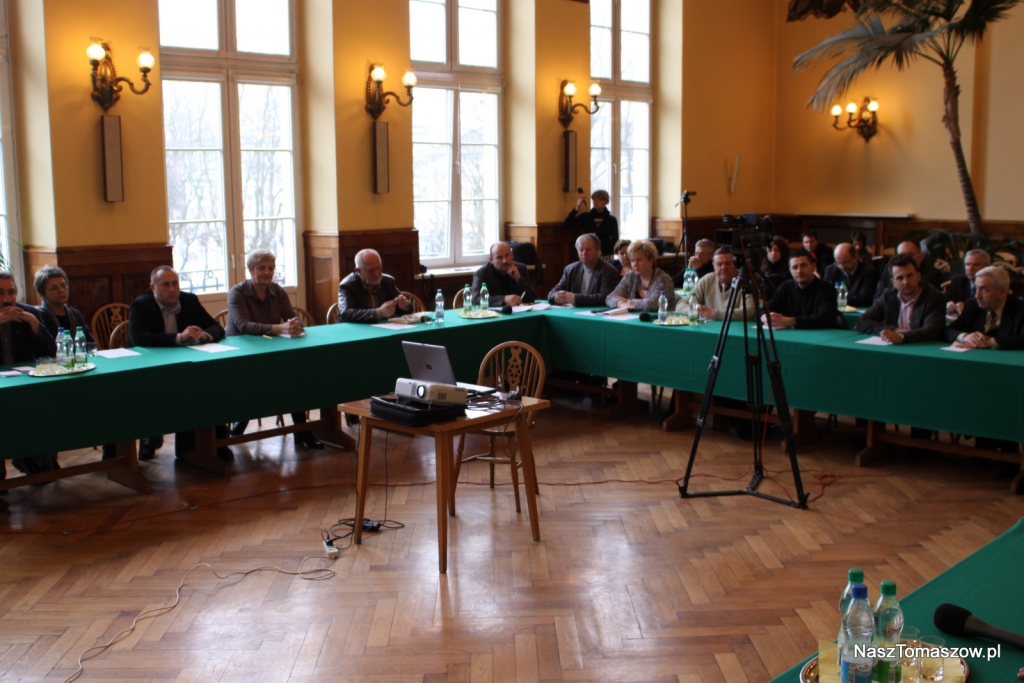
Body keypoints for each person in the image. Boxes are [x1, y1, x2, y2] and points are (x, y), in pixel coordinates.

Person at [128, 266, 232, 462]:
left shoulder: (189, 300)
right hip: (149, 367)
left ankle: (209, 446)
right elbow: (138, 338)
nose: (172, 289)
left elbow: (216, 327)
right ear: (153, 287)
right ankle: (151, 436)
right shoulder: (141, 305)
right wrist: (178, 338)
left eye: (175, 283)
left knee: (209, 385)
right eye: (165, 285)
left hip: (185, 365)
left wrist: (204, 335)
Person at [226, 249, 323, 449]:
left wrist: (295, 324)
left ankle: (301, 430)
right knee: (259, 382)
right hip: (240, 352)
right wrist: (278, 328)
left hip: (269, 348)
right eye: (262, 268)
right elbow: (244, 326)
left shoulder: (278, 291)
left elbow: (290, 315)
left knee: (295, 375)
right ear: (251, 269)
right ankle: (238, 428)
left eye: (270, 268)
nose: (267, 272)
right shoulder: (238, 292)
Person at [0, 270, 57, 487]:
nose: (7, 299)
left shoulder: (28, 313)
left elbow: (50, 353)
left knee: (49, 404)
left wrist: (34, 324)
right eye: (0, 293)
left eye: (11, 292)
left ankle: (37, 459)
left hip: (25, 387)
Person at [855, 254, 945, 344]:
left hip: (922, 347)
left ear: (918, 276)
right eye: (900, 278)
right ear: (893, 282)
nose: (906, 282)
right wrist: (894, 330)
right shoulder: (888, 295)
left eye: (910, 275)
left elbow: (932, 330)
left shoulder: (934, 297)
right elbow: (862, 321)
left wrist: (902, 337)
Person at [944, 266, 1024, 351]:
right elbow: (948, 330)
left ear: (1002, 292)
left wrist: (989, 342)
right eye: (976, 288)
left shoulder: (1020, 308)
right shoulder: (972, 305)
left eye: (983, 289)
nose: (977, 296)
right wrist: (965, 337)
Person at [763, 249, 841, 329]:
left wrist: (789, 321)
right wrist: (764, 317)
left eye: (804, 265)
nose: (799, 271)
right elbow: (764, 310)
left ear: (813, 267)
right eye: (795, 267)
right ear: (790, 271)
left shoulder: (827, 288)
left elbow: (826, 318)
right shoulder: (785, 287)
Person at [337, 249, 412, 323]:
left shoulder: (388, 282)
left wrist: (405, 305)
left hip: (383, 327)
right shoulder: (347, 285)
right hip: (356, 329)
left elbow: (404, 311)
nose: (376, 273)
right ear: (358, 270)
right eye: (371, 270)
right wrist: (378, 313)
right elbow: (345, 313)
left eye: (378, 268)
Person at [679, 248, 756, 321]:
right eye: (719, 264)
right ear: (713, 265)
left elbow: (750, 311)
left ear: (735, 264)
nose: (723, 267)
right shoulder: (707, 280)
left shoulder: (745, 281)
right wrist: (694, 310)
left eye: (728, 263)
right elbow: (680, 304)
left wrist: (714, 314)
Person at [548, 234, 621, 307]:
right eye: (581, 250)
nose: (584, 253)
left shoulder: (609, 271)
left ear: (598, 251)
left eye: (588, 249)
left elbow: (605, 297)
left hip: (596, 312)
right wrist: (556, 297)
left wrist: (574, 298)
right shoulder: (570, 269)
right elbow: (553, 292)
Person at [606, 239, 675, 311]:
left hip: (661, 317)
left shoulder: (663, 280)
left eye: (639, 260)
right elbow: (610, 298)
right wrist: (621, 304)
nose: (635, 264)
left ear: (651, 261)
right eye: (632, 261)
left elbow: (653, 304)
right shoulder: (630, 276)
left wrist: (629, 301)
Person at [33, 265, 93, 343]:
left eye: (63, 285)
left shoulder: (75, 314)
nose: (61, 290)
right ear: (43, 293)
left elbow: (90, 342)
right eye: (54, 288)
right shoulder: (39, 316)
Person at [472, 242, 537, 307]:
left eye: (507, 255)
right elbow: (475, 299)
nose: (505, 261)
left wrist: (518, 278)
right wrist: (503, 299)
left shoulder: (520, 269)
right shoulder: (482, 273)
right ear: (491, 260)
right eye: (499, 257)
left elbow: (532, 297)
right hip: (494, 312)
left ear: (512, 255)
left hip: (519, 311)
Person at [876, 240, 947, 297]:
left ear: (920, 257)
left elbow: (928, 301)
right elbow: (878, 297)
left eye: (910, 255)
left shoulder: (932, 274)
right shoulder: (889, 269)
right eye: (901, 255)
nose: (905, 259)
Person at [823, 243, 880, 308]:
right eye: (838, 263)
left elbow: (864, 298)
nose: (842, 267)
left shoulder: (869, 272)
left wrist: (839, 301)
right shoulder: (831, 270)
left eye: (846, 262)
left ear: (856, 257)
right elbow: (825, 293)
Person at [564, 189, 618, 256]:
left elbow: (614, 240)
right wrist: (577, 208)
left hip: (605, 253)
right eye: (594, 200)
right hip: (587, 252)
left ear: (606, 202)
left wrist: (597, 245)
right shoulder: (586, 217)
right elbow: (567, 224)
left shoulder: (611, 219)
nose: (596, 202)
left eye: (600, 200)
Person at [946, 249, 991, 313]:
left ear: (986, 267)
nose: (970, 268)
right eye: (968, 264)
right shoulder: (958, 281)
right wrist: (948, 304)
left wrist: (967, 308)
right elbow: (944, 300)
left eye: (976, 265)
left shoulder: (991, 285)